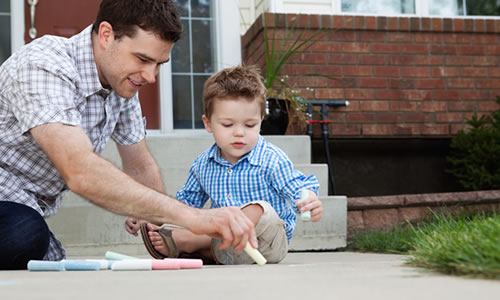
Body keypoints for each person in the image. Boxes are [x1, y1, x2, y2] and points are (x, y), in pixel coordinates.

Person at [0, 0, 256, 270]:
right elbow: (79, 171)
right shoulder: (43, 66)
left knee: (30, 235)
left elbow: (140, 165)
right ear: (106, 35)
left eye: (159, 64)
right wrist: (193, 217)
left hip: (21, 208)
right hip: (10, 202)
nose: (150, 76)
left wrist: (168, 231)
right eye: (143, 59)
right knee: (25, 233)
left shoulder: (120, 84)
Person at [139, 65, 323, 264]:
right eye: (228, 125)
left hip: (267, 243)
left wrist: (308, 200)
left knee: (259, 209)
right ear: (208, 123)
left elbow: (297, 186)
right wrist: (151, 215)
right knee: (199, 218)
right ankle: (206, 250)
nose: (239, 133)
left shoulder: (271, 160)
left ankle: (193, 243)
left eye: (250, 125)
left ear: (261, 121)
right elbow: (186, 206)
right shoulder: (203, 165)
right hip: (231, 247)